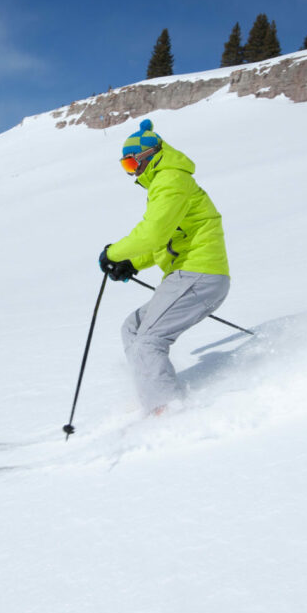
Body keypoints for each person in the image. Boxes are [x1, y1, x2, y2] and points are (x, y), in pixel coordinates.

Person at [99, 119, 230, 415]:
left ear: (149, 156)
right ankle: (151, 396)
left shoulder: (171, 179)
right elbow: (164, 241)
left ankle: (167, 412)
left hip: (200, 274)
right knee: (132, 328)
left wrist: (113, 252)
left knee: (148, 341)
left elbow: (154, 232)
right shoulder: (165, 184)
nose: (132, 172)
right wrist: (130, 262)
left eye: (132, 164)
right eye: (126, 167)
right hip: (186, 275)